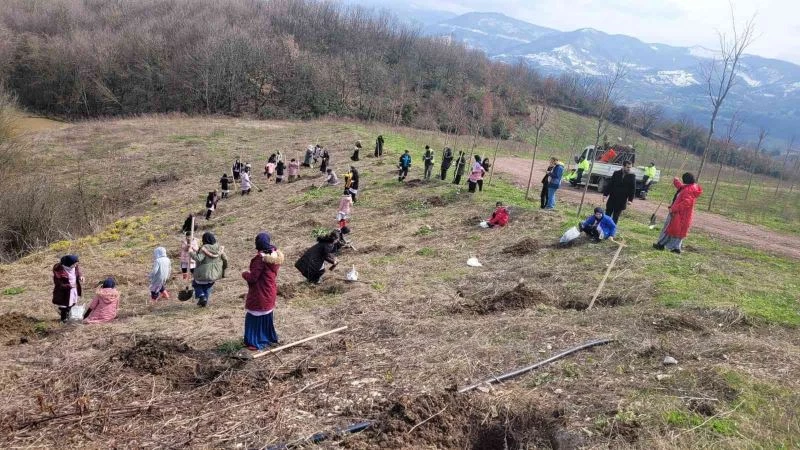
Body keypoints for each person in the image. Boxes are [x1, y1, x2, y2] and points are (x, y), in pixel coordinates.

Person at [242, 232, 285, 351]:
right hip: (270, 290)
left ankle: (254, 341)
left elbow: (253, 278)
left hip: (260, 292)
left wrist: (245, 274)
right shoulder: (273, 255)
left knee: (253, 317)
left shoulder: (260, 259)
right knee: (266, 315)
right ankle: (267, 337)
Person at [654, 173, 703, 254]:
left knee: (670, 229)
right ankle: (675, 247)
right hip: (681, 214)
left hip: (679, 214)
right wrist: (676, 181)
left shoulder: (689, 190)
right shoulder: (691, 186)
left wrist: (673, 209)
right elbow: (681, 187)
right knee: (676, 231)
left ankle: (662, 245)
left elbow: (686, 202)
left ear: (686, 180)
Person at [190, 232, 227, 307]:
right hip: (215, 273)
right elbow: (225, 259)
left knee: (196, 284)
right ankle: (204, 302)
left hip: (203, 273)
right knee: (207, 287)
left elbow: (198, 258)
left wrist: (191, 252)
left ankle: (202, 296)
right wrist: (223, 269)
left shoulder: (204, 248)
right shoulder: (219, 248)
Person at [52, 255, 83, 323]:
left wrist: (80, 276)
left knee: (72, 303)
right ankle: (63, 319)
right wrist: (70, 286)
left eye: (76, 264)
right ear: (69, 264)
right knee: (64, 306)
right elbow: (59, 284)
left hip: (73, 289)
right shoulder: (59, 271)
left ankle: (68, 314)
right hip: (64, 292)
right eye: (74, 264)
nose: (76, 265)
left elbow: (77, 270)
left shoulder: (74, 266)